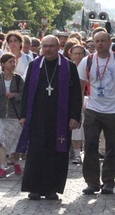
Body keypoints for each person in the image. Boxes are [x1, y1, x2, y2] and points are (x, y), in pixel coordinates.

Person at [17, 35, 82, 200]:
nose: (48, 49)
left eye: (51, 46)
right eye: (45, 46)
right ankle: (35, 188)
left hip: (60, 118)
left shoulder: (68, 66)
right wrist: (23, 115)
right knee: (36, 152)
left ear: (58, 47)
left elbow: (76, 95)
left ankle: (53, 188)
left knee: (57, 153)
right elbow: (26, 93)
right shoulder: (34, 65)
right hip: (38, 117)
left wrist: (75, 116)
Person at [78, 29, 115, 195]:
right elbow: (80, 87)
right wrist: (78, 110)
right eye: (96, 41)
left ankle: (108, 180)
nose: (99, 44)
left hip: (113, 110)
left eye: (102, 41)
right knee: (90, 145)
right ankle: (92, 182)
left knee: (112, 147)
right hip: (93, 109)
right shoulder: (87, 61)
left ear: (109, 43)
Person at [0, 53, 24, 178]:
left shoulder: (19, 79)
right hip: (1, 115)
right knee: (0, 141)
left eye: (14, 62)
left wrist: (15, 95)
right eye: (10, 62)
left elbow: (24, 96)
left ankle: (16, 162)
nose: (13, 64)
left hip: (16, 115)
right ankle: (2, 167)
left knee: (16, 141)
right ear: (2, 64)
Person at [68, 43, 88, 164]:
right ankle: (76, 154)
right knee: (75, 128)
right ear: (71, 55)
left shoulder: (89, 66)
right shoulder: (69, 68)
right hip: (73, 101)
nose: (78, 56)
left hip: (89, 100)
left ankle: (86, 152)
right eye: (75, 53)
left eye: (80, 53)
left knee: (87, 128)